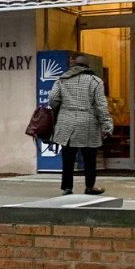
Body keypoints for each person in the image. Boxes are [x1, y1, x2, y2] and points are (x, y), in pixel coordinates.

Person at [47, 55, 112, 195]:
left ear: (73, 66)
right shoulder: (95, 81)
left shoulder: (62, 80)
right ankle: (89, 186)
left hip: (66, 122)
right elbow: (101, 105)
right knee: (90, 158)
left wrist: (60, 107)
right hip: (87, 122)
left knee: (68, 158)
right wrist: (107, 125)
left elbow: (52, 99)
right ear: (87, 67)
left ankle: (67, 187)